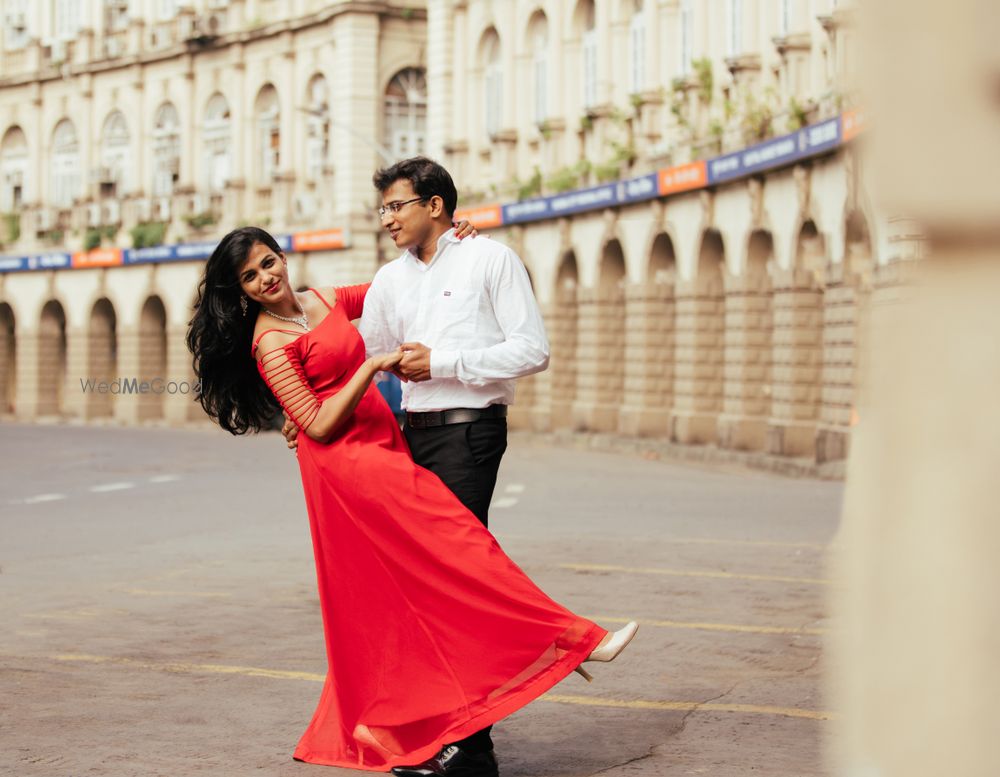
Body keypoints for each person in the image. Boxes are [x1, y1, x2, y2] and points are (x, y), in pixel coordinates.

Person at [187, 225, 639, 775]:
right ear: (241, 291)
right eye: (250, 276)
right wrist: (371, 368)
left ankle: (422, 729)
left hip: (384, 442)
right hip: (348, 466)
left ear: (282, 256)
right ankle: (571, 640)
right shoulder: (269, 342)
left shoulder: (324, 299)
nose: (266, 277)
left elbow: (403, 283)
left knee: (409, 590)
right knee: (459, 540)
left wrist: (453, 237)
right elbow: (320, 424)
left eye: (268, 261)